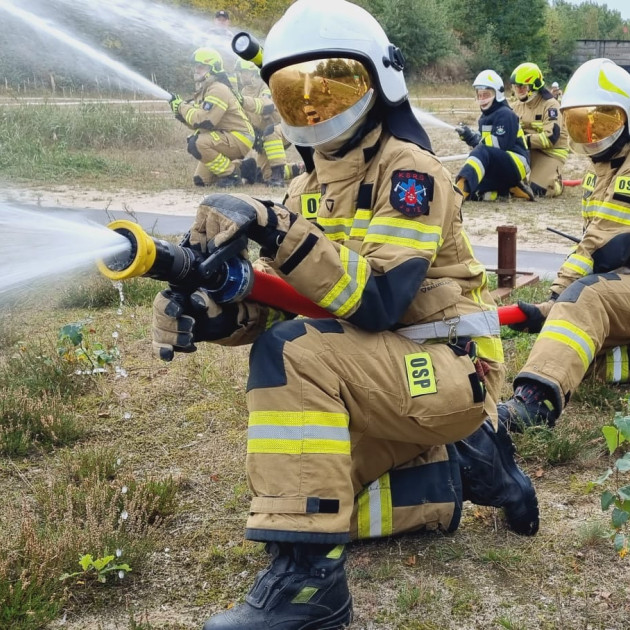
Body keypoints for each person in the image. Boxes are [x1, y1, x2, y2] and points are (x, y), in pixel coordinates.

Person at [152, 1, 539, 627]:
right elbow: (289, 301)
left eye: (333, 88)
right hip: (377, 378)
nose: (314, 109)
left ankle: (312, 591)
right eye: (293, 93)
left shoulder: (411, 174)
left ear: (380, 81)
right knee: (303, 497)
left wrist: (275, 230)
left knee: (293, 358)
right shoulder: (304, 191)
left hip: (448, 368)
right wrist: (214, 307)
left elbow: (380, 303)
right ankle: (468, 470)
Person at [498, 58, 630, 432]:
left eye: (603, 122)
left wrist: (555, 301)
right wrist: (556, 310)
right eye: (580, 124)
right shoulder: (599, 173)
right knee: (578, 356)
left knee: (586, 299)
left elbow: (604, 250)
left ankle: (534, 404)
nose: (592, 134)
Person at [169, 48, 256, 188]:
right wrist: (180, 114)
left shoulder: (217, 89)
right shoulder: (205, 90)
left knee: (197, 143)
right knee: (201, 181)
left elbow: (205, 120)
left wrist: (181, 107)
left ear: (213, 68)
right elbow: (198, 124)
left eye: (201, 66)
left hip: (240, 137)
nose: (196, 70)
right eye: (195, 66)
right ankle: (243, 168)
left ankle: (231, 174)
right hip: (226, 135)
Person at [454, 69, 533, 201]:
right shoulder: (484, 118)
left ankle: (461, 188)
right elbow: (485, 144)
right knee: (475, 187)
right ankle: (508, 190)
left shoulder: (506, 114)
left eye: (486, 94)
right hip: (498, 165)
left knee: (473, 171)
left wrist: (474, 139)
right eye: (480, 95)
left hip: (517, 163)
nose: (482, 99)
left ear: (498, 94)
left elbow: (500, 145)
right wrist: (469, 137)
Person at [509, 62, 569, 198]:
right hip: (526, 150)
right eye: (516, 87)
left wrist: (521, 140)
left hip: (550, 153)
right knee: (507, 185)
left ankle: (556, 182)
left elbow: (550, 138)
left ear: (534, 85)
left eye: (522, 87)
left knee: (537, 190)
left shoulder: (551, 105)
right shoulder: (515, 106)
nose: (518, 90)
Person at [235, 59, 291, 187]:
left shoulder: (266, 84)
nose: (240, 76)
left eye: (243, 72)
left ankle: (278, 177)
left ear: (252, 72)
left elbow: (267, 105)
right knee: (263, 175)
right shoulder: (244, 91)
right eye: (240, 73)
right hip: (264, 135)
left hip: (284, 128)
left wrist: (243, 101)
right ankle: (300, 169)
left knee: (271, 131)